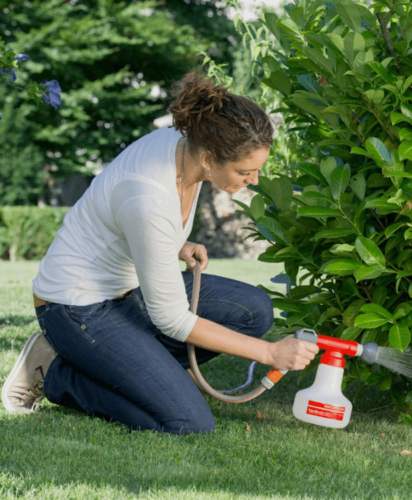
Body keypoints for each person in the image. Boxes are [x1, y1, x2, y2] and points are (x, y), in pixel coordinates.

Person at [2, 72, 319, 434]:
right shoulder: (147, 194)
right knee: (187, 421)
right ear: (210, 159)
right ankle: (59, 374)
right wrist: (269, 353)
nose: (255, 180)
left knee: (254, 311)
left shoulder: (186, 146)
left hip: (128, 293)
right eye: (246, 171)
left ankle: (127, 368)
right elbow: (172, 319)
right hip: (75, 307)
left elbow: (128, 221)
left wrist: (171, 242)